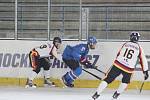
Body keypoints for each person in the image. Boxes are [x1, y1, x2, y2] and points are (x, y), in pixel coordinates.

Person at [92, 31, 149, 100]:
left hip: (118, 64)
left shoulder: (125, 44)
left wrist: (116, 63)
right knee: (125, 81)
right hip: (128, 68)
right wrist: (145, 71)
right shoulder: (139, 48)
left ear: (130, 37)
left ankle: (96, 94)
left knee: (107, 79)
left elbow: (118, 54)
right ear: (138, 38)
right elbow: (143, 60)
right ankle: (116, 95)